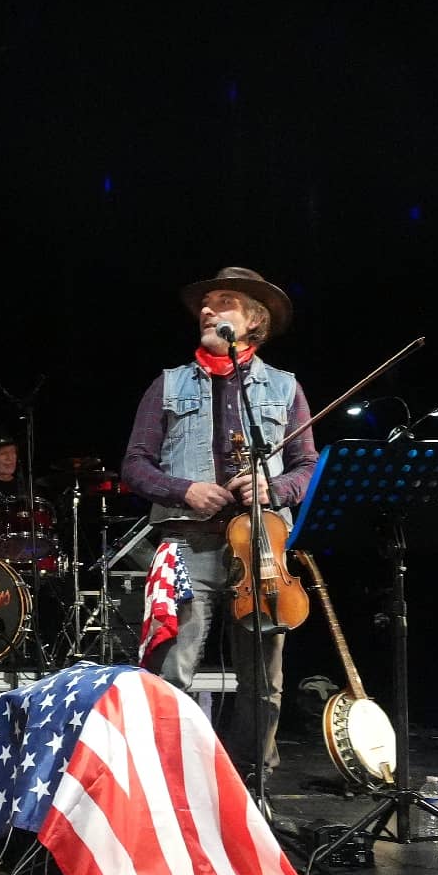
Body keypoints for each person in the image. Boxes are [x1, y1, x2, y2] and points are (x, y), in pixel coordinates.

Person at [120, 267, 317, 778]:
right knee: (173, 672)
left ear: (254, 321)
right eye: (205, 303)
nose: (207, 310)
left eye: (223, 301)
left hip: (262, 549)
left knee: (264, 683)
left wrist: (273, 489)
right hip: (188, 542)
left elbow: (307, 466)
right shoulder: (166, 384)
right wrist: (183, 489)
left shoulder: (284, 387)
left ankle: (252, 783)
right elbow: (135, 465)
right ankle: (169, 781)